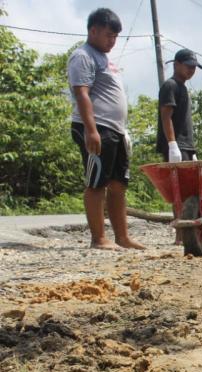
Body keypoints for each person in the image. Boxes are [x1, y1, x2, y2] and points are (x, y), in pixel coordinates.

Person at [68, 8, 144, 250]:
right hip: (96, 127)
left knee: (119, 183)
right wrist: (91, 130)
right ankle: (98, 238)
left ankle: (122, 237)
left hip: (115, 130)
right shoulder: (83, 56)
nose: (112, 41)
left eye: (115, 37)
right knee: (97, 182)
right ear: (93, 31)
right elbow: (81, 93)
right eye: (109, 35)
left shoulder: (105, 59)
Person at [157, 48, 202, 163]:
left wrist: (192, 150)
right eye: (188, 66)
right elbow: (166, 117)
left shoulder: (183, 88)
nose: (192, 70)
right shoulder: (170, 85)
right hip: (177, 145)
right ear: (176, 65)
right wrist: (172, 145)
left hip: (187, 147)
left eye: (194, 67)